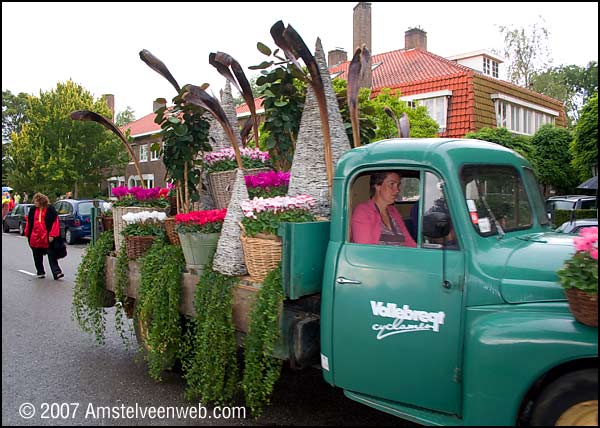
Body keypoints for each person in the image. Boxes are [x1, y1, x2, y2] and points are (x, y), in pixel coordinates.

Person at [351, 171, 417, 247]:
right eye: (392, 184)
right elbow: (365, 251)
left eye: (398, 185)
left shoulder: (393, 211)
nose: (397, 190)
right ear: (377, 186)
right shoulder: (363, 211)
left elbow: (409, 242)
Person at [24, 192, 64, 280]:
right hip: (35, 236)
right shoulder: (33, 210)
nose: (35, 203)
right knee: (36, 255)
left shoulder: (50, 210)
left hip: (46, 236)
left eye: (36, 201)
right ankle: (40, 271)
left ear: (41, 201)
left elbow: (55, 223)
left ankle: (57, 272)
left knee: (51, 254)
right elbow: (29, 222)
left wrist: (52, 235)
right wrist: (27, 233)